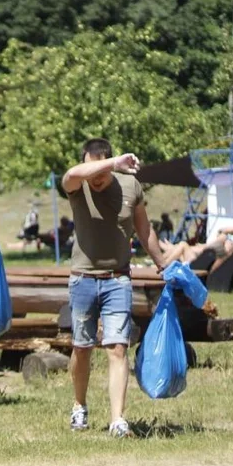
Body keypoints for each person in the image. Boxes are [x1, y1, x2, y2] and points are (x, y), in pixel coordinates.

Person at [61, 138, 165, 438]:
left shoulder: (130, 186)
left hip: (117, 279)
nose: (96, 178)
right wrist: (110, 163)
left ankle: (118, 419)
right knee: (82, 349)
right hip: (82, 279)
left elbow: (144, 229)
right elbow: (71, 175)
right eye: (91, 169)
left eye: (102, 172)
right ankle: (79, 406)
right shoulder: (77, 184)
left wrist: (162, 263)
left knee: (118, 348)